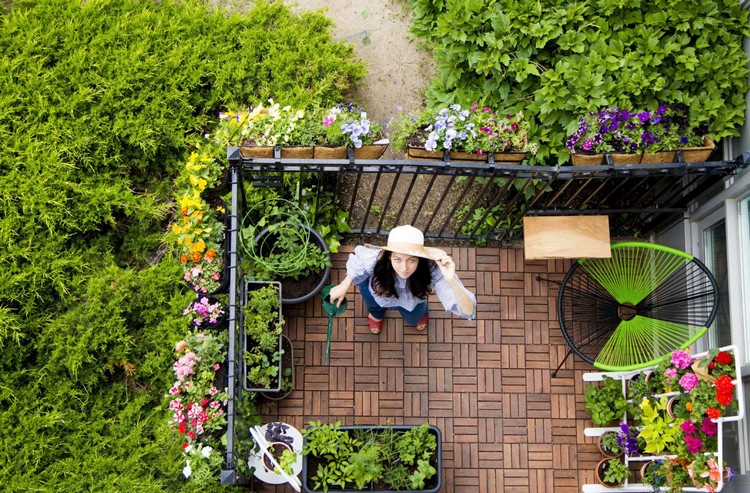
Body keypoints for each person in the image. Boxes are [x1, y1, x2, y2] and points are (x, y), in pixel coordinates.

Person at [327, 225, 476, 334]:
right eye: (397, 259)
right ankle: (377, 315)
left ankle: (416, 317)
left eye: (411, 260)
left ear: (420, 259)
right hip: (378, 293)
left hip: (412, 301)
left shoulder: (432, 268)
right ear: (389, 255)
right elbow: (358, 259)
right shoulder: (377, 258)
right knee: (374, 307)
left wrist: (451, 281)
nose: (404, 268)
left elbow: (468, 311)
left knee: (414, 317)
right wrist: (344, 284)